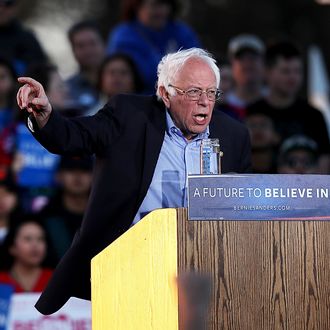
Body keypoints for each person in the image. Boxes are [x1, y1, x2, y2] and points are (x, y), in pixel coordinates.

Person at [16, 47, 251, 314]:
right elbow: (74, 136)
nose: (205, 102)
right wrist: (45, 115)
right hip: (127, 264)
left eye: (211, 93)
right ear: (165, 93)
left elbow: (240, 211)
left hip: (203, 270)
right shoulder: (129, 115)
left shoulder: (234, 136)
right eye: (194, 92)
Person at [247, 40, 330, 173]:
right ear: (267, 72)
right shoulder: (252, 112)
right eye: (285, 71)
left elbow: (324, 164)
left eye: (297, 71)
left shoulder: (314, 115)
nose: (293, 77)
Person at [106, 0, 201, 94]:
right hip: (138, 101)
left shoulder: (183, 33)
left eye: (165, 4)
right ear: (137, 7)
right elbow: (132, 76)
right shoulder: (124, 36)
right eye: (154, 5)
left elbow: (198, 70)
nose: (161, 11)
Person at [39, 155, 93, 265]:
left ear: (95, 176)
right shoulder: (44, 217)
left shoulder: (103, 215)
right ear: (58, 176)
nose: (78, 176)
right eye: (70, 170)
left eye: (84, 170)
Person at [0, 216, 52, 292]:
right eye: (28, 239)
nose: (35, 245)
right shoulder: (1, 280)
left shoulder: (55, 279)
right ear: (12, 247)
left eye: (40, 239)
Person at [66, 20, 106, 114]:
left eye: (93, 43)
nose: (88, 50)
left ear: (104, 44)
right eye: (81, 46)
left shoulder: (125, 82)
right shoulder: (66, 90)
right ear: (73, 51)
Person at [0, 0, 47, 75]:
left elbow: (41, 70)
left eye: (8, 3)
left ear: (15, 7)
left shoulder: (28, 39)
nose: (1, 9)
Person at [225, 34, 265, 119]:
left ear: (263, 63)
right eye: (241, 58)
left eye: (253, 58)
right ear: (232, 65)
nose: (247, 63)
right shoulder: (222, 107)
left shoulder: (276, 103)